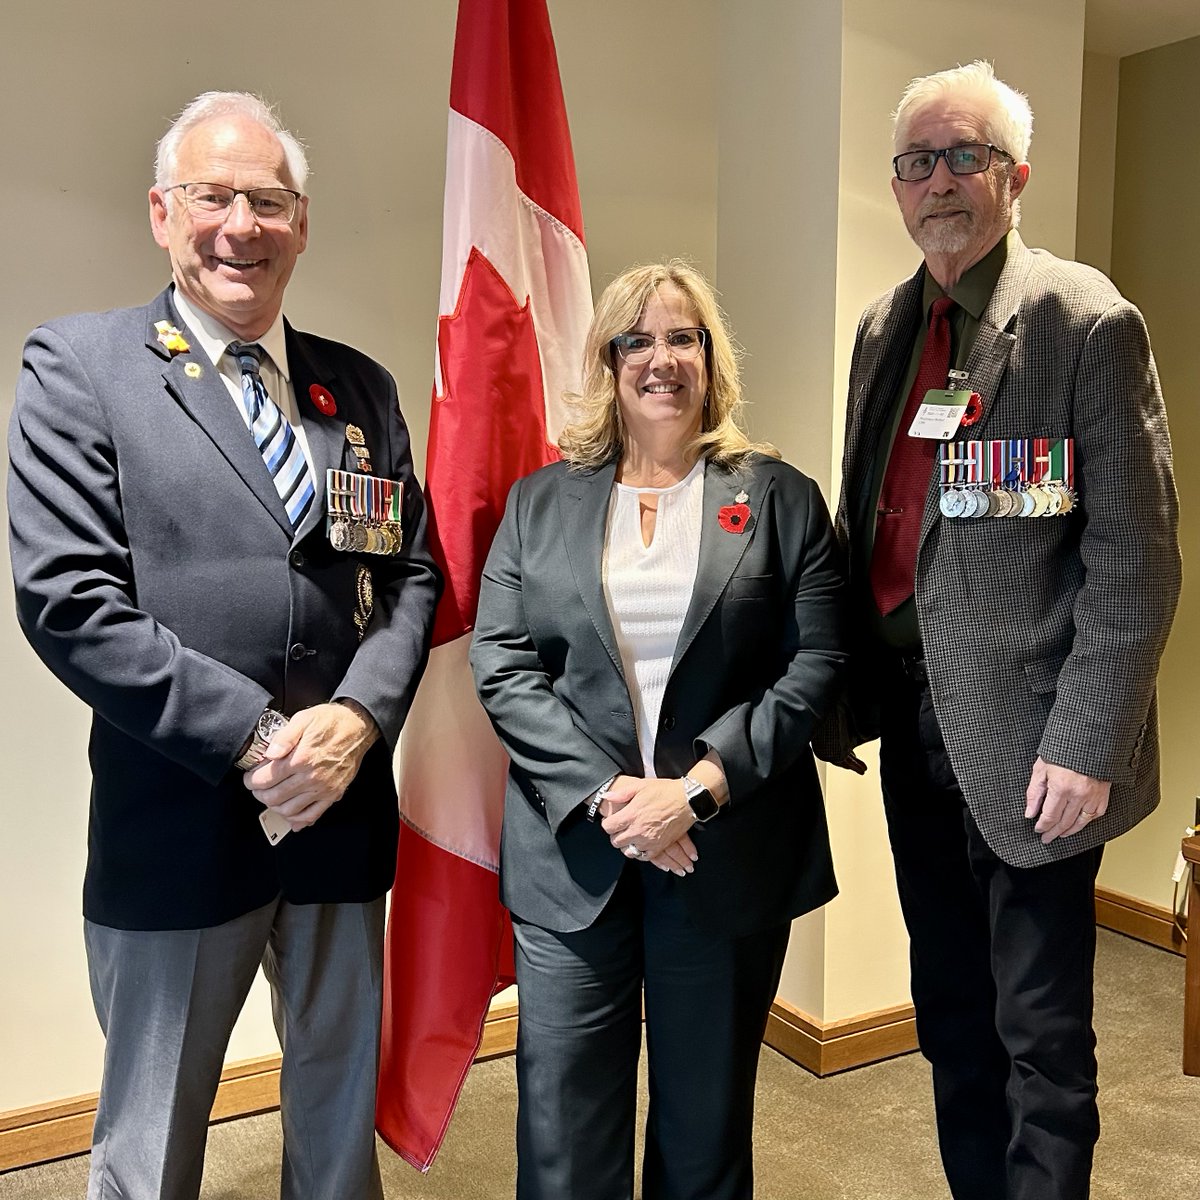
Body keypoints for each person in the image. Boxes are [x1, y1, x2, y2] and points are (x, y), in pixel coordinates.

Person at [7, 92, 440, 1200]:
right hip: (178, 819)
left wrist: (357, 721)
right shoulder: (81, 366)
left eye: (268, 200)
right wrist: (258, 740)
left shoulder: (360, 389)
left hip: (341, 815)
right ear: (164, 212)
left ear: (303, 223)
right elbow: (69, 602)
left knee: (337, 1126)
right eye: (213, 195)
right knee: (150, 1148)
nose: (239, 224)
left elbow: (408, 577)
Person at [814, 61, 1180, 1200]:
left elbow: (1138, 559)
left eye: (964, 155)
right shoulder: (887, 326)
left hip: (1038, 748)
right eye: (917, 162)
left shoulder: (1082, 322)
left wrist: (1088, 743)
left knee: (1043, 1045)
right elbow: (868, 516)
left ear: (1014, 178)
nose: (938, 181)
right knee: (952, 1018)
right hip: (914, 729)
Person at [469, 260, 845, 1200]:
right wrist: (612, 801)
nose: (661, 359)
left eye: (684, 337)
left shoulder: (780, 497)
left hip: (723, 850)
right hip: (575, 860)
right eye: (637, 339)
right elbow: (503, 663)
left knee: (703, 1125)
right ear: (607, 360)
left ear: (713, 360)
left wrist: (693, 792)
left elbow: (818, 665)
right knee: (564, 1124)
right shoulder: (538, 503)